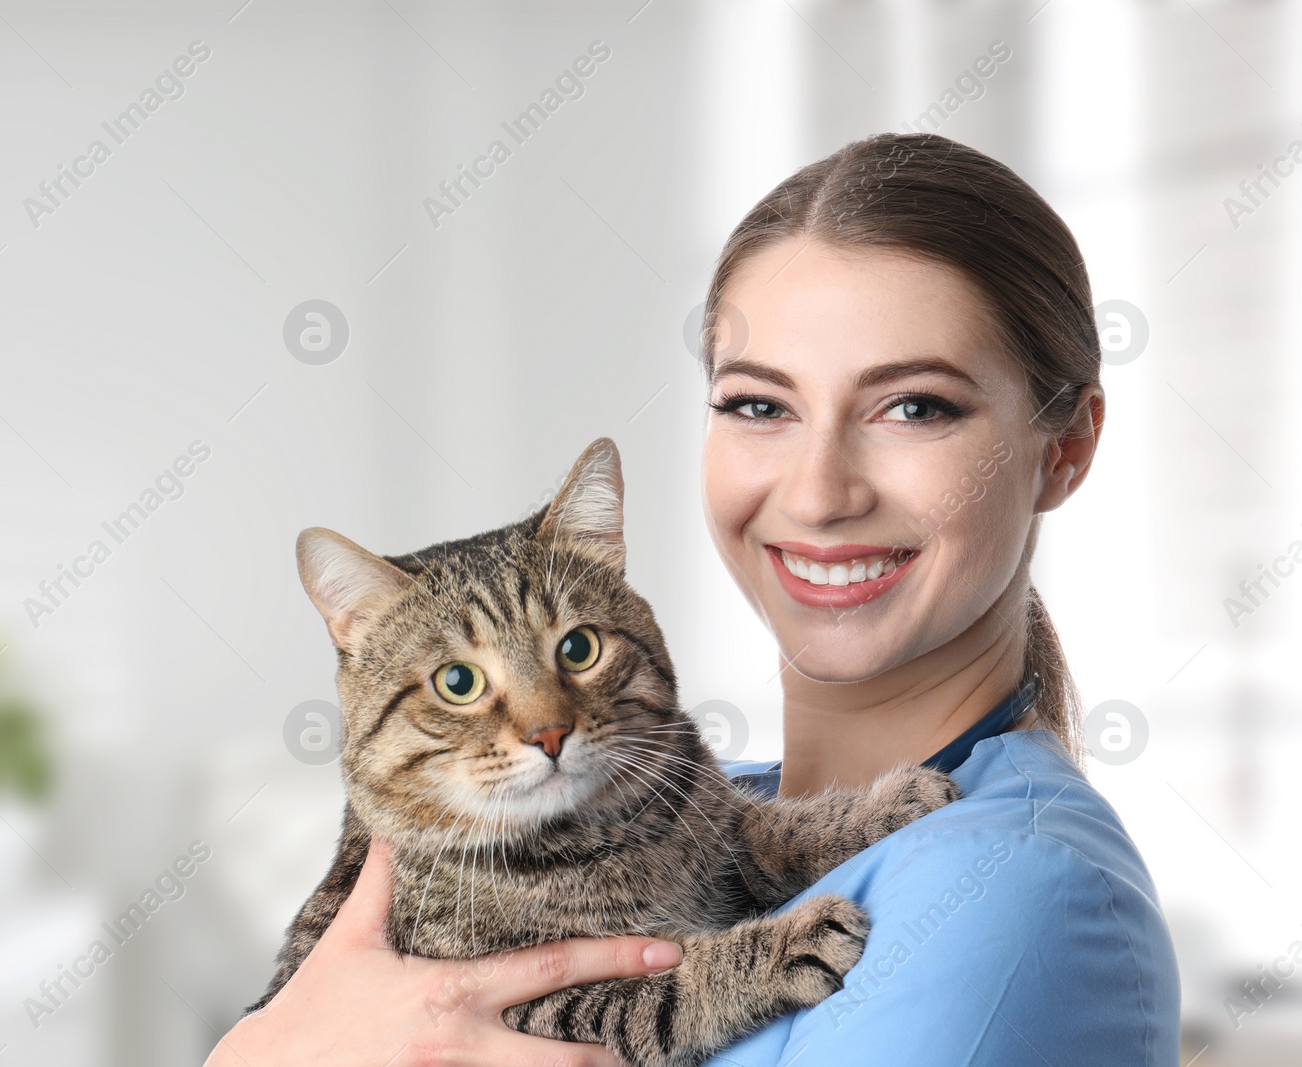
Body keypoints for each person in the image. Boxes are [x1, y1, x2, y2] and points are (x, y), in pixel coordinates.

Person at [205, 132, 1181, 1066]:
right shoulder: (687, 787)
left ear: (1066, 447)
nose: (816, 492)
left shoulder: (1012, 890)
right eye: (758, 404)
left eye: (913, 406)